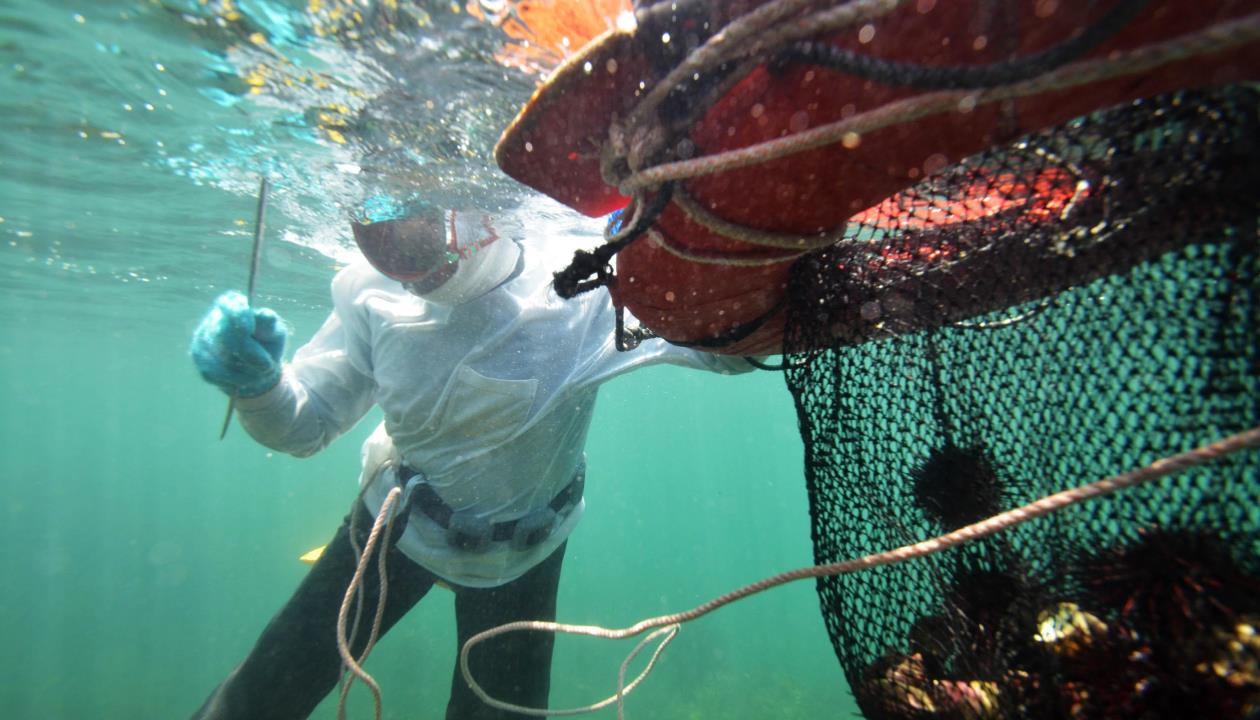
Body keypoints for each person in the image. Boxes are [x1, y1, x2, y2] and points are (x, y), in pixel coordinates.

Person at [188, 197, 756, 719]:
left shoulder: (580, 285)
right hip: (402, 520)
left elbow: (723, 352)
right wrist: (258, 385)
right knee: (256, 700)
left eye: (414, 236)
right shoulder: (368, 291)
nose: (404, 267)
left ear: (481, 216)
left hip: (512, 548)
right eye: (375, 236)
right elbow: (305, 426)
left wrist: (759, 282)